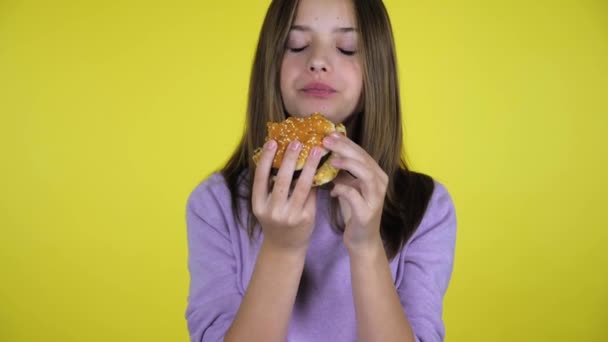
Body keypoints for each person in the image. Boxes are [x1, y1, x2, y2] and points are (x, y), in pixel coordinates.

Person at [185, 0, 457, 341]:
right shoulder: (216, 204)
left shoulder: (428, 208)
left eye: (347, 48)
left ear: (377, 68)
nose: (317, 62)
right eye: (296, 45)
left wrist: (367, 247)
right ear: (270, 64)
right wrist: (282, 250)